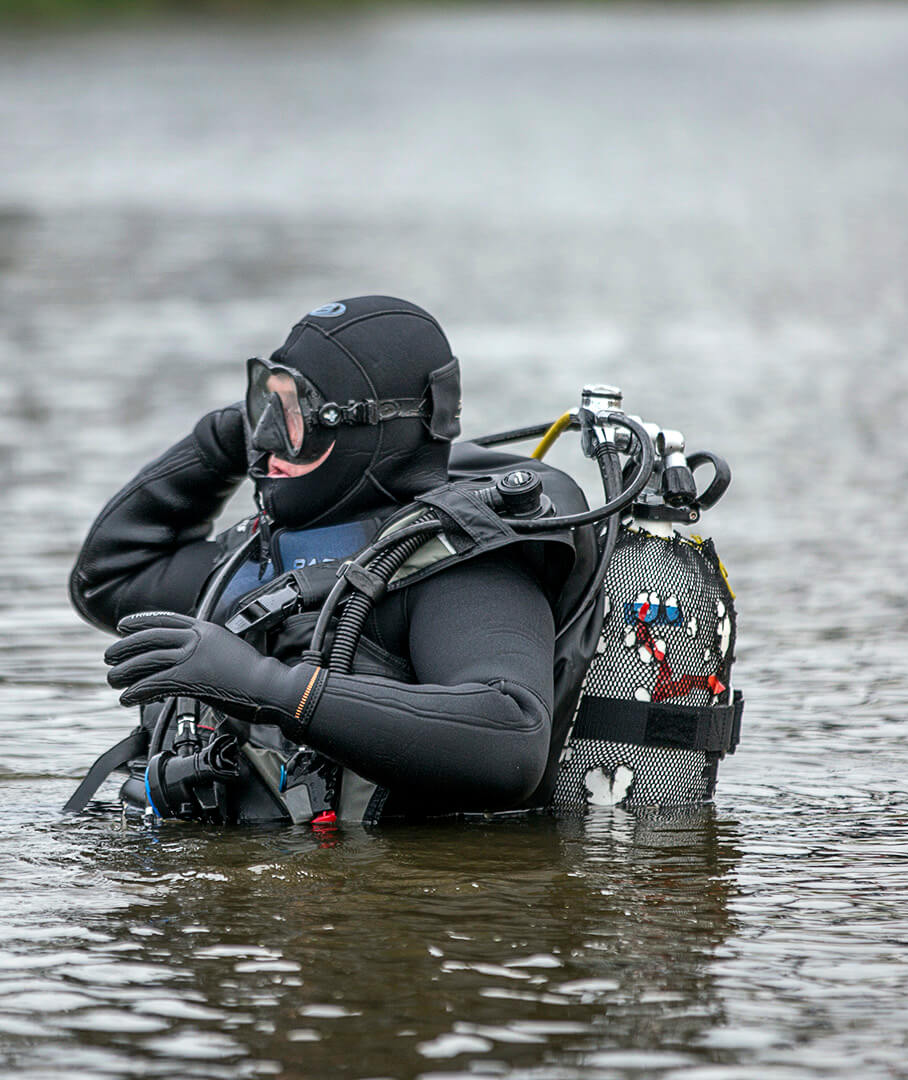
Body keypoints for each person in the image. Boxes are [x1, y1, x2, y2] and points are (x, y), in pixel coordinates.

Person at [67, 296, 585, 823]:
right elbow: (109, 577)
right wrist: (226, 435)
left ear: (372, 428)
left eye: (293, 415)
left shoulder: (461, 563)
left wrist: (266, 687)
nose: (267, 439)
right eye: (264, 406)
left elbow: (512, 739)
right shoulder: (265, 549)